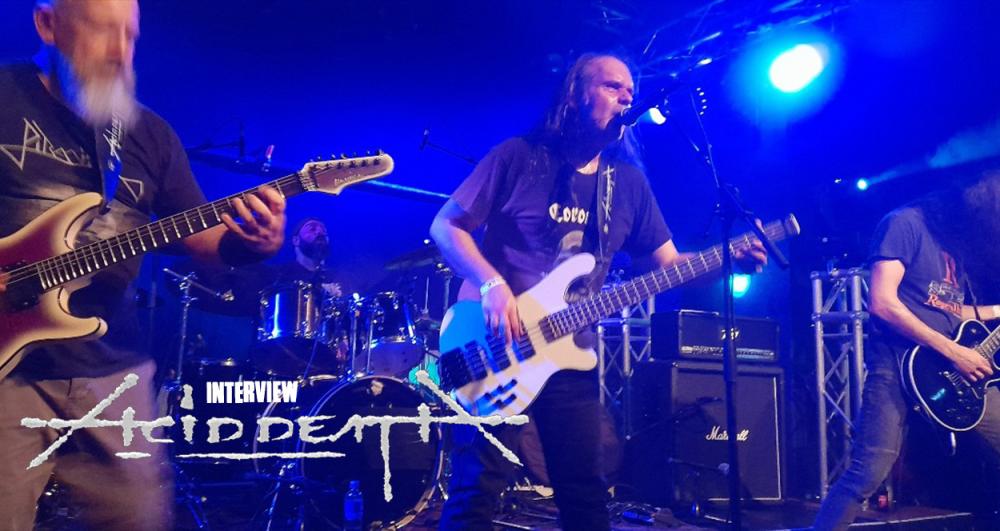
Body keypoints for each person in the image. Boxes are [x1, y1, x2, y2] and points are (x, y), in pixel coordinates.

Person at [429, 52, 767, 530]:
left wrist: (725, 261)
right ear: (574, 95)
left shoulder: (627, 184)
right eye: (612, 87)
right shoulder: (519, 157)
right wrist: (492, 284)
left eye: (630, 91)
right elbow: (446, 226)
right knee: (476, 492)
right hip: (494, 345)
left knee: (586, 494)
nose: (626, 98)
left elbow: (667, 265)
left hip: (569, 355)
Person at [0, 1, 286, 529]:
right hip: (10, 370)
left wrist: (254, 243)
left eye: (130, 36)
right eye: (102, 31)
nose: (120, 51)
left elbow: (201, 238)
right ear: (47, 24)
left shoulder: (148, 134)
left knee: (139, 518)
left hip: (112, 366)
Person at [813, 173, 1000, 530]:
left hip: (948, 370)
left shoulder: (953, 245)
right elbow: (882, 303)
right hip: (898, 366)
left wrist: (997, 312)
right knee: (867, 473)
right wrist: (954, 351)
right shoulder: (904, 223)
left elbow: (951, 311)